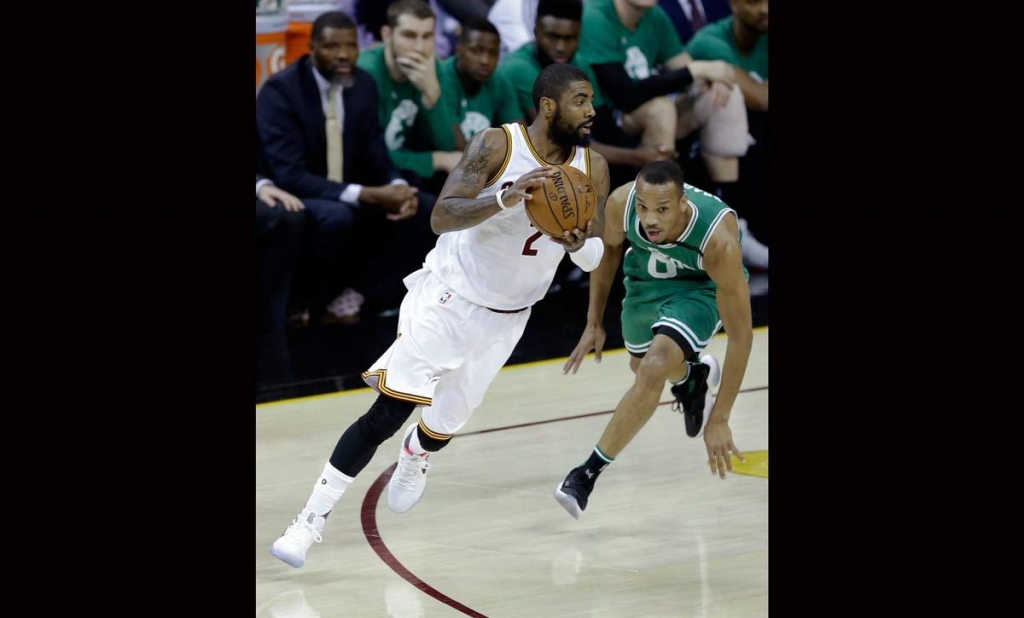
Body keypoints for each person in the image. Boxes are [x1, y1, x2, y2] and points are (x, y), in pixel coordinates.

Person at [270, 63, 611, 568]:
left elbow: (596, 253)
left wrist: (577, 243)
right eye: (581, 100)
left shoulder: (593, 167)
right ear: (548, 106)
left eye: (591, 100)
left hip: (509, 315)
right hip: (450, 297)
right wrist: (503, 197)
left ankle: (417, 454)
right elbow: (442, 215)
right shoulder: (497, 145)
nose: (592, 110)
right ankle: (308, 522)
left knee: (445, 422)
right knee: (388, 410)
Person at [553, 160, 751, 519]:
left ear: (683, 205)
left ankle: (586, 474)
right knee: (641, 365)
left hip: (701, 288)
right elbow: (610, 250)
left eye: (662, 209)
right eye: (644, 208)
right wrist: (594, 320)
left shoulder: (719, 240)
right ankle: (692, 381)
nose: (650, 219)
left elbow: (741, 337)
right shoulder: (620, 203)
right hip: (647, 277)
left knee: (654, 366)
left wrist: (720, 417)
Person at [256, 11, 435, 322]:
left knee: (423, 207)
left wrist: (396, 186)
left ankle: (359, 295)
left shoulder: (362, 85)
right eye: (331, 46)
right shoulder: (280, 92)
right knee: (336, 216)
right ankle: (302, 303)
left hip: (347, 186)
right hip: (295, 193)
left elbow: (376, 152)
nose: (342, 55)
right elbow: (290, 175)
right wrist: (367, 194)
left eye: (350, 46)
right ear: (311, 49)